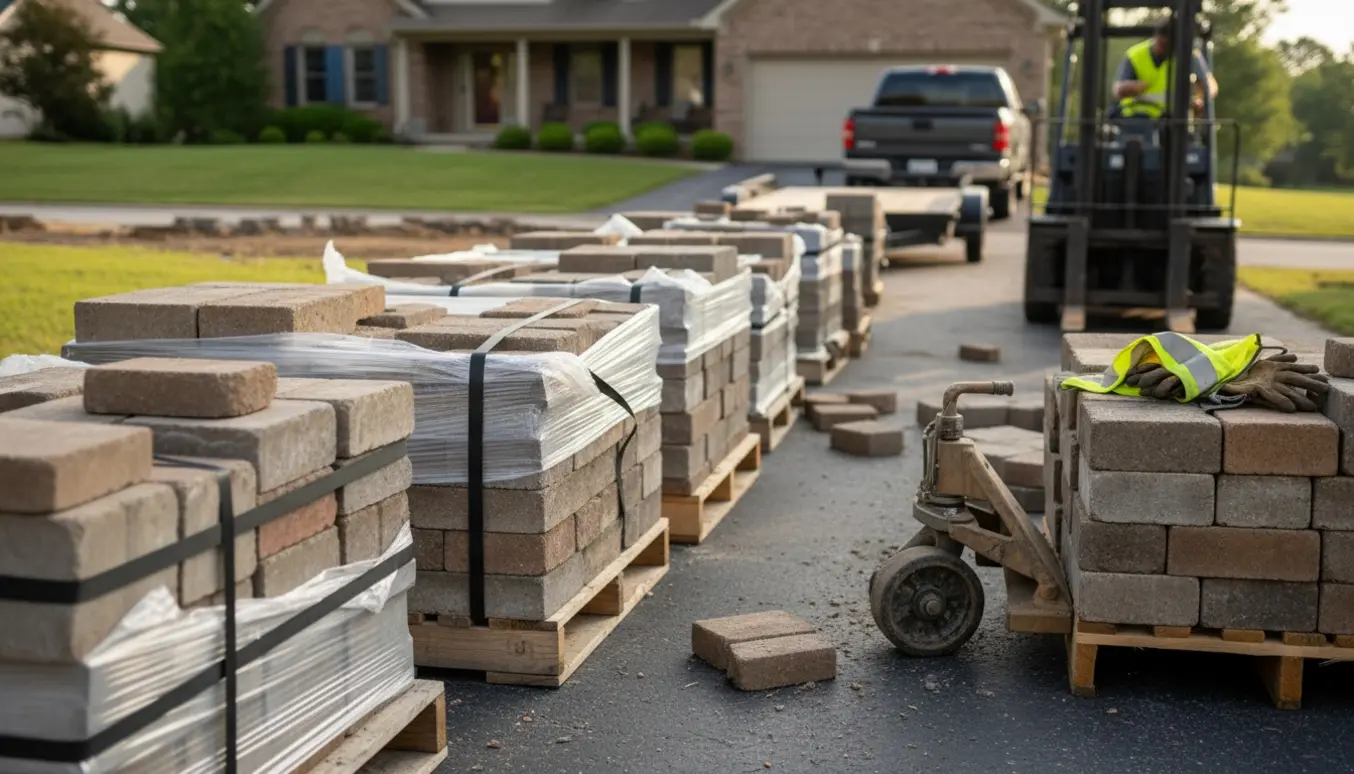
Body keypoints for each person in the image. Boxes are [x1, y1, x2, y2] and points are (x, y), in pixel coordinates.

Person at [1112, 17, 1219, 119]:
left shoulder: (1189, 55)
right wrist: (1134, 87)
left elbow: (1210, 86)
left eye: (1165, 43)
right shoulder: (1135, 55)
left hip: (1173, 122)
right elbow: (1118, 90)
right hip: (1136, 120)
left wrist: (1198, 98)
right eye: (1159, 40)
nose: (1160, 46)